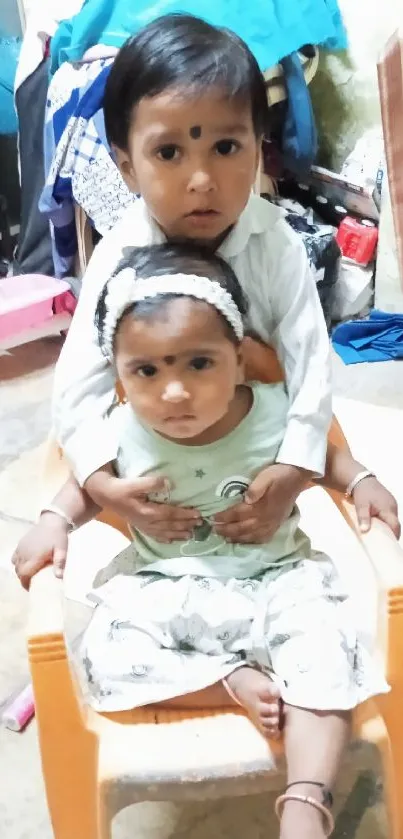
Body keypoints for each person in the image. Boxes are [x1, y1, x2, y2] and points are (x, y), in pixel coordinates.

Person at [14, 243, 390, 839]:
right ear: (119, 374)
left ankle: (305, 799)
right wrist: (53, 520)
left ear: (239, 360)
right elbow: (83, 491)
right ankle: (227, 680)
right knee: (102, 654)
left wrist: (363, 481)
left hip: (278, 576)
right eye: (147, 371)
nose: (173, 393)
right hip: (166, 585)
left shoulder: (271, 412)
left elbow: (322, 454)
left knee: (330, 658)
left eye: (198, 364)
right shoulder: (121, 431)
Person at [52, 13, 334, 547]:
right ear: (127, 167)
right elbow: (78, 385)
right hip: (157, 448)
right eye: (168, 153)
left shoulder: (276, 244)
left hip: (250, 447)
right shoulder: (121, 256)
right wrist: (98, 481)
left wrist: (297, 467)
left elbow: (312, 366)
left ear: (258, 146)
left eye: (226, 148)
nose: (201, 181)